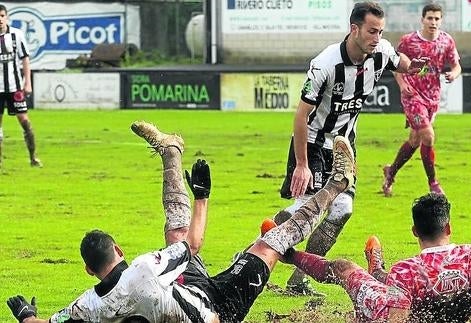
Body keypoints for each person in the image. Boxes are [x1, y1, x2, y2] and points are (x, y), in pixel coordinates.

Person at [6, 121, 356, 323]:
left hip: (182, 289)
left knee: (175, 233)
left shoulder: (87, 306)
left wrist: (25, 314)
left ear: (88, 270)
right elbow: (193, 245)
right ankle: (338, 182)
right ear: (117, 249)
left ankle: (170, 150)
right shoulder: (142, 268)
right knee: (270, 244)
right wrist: (202, 196)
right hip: (219, 308)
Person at [274, 1, 429, 295]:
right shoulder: (325, 64)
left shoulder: (381, 52)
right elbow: (300, 116)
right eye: (372, 31)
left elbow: (401, 62)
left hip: (345, 144)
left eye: (381, 32)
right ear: (354, 29)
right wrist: (303, 164)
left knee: (342, 209)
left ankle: (297, 279)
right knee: (308, 211)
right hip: (314, 143)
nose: (377, 38)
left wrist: (414, 66)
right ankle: (258, 250)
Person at [284, 193, 471, 322]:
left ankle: (288, 253)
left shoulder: (407, 270)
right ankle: (375, 264)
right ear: (448, 227)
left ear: (415, 231)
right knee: (384, 279)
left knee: (342, 267)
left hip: (391, 302)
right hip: (405, 295)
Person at [382, 3, 462, 197]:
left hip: (432, 98)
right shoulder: (409, 41)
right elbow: (395, 64)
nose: (433, 22)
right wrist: (402, 85)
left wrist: (453, 74)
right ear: (422, 19)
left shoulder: (446, 41)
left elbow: (457, 66)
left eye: (437, 19)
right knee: (428, 135)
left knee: (415, 140)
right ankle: (433, 183)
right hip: (412, 96)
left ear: (441, 20)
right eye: (430, 18)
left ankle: (390, 172)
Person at [0, 4, 41, 167]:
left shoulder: (17, 35)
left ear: (7, 17)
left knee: (24, 120)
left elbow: (25, 59)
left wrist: (28, 82)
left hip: (15, 87)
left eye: (2, 16)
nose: (0, 19)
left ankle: (33, 158)